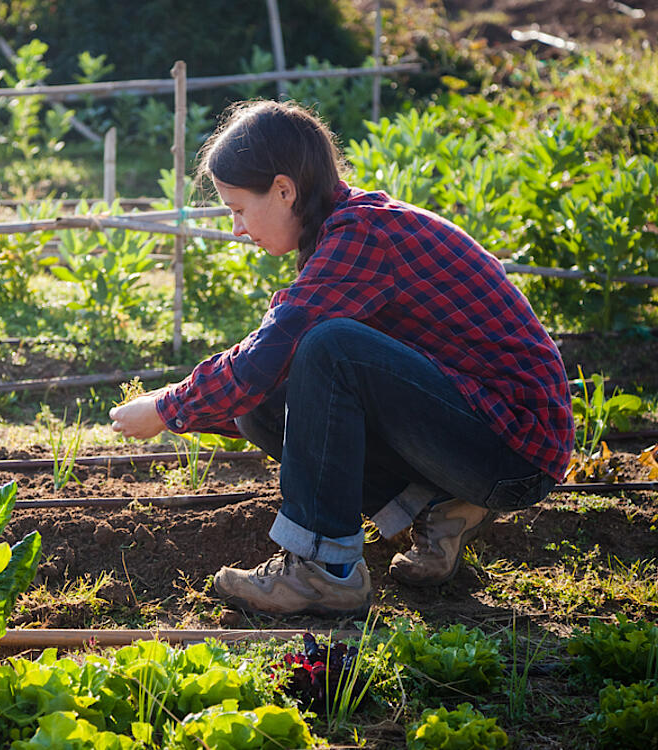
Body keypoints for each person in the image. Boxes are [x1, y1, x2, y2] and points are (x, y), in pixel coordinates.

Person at [109, 99, 573, 618]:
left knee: (328, 346)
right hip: (474, 429)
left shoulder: (363, 236)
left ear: (284, 190)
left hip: (516, 449)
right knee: (260, 404)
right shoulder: (340, 232)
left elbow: (274, 350)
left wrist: (170, 407)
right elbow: (266, 378)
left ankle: (322, 572)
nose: (236, 228)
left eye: (238, 208)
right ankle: (438, 506)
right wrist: (191, 410)